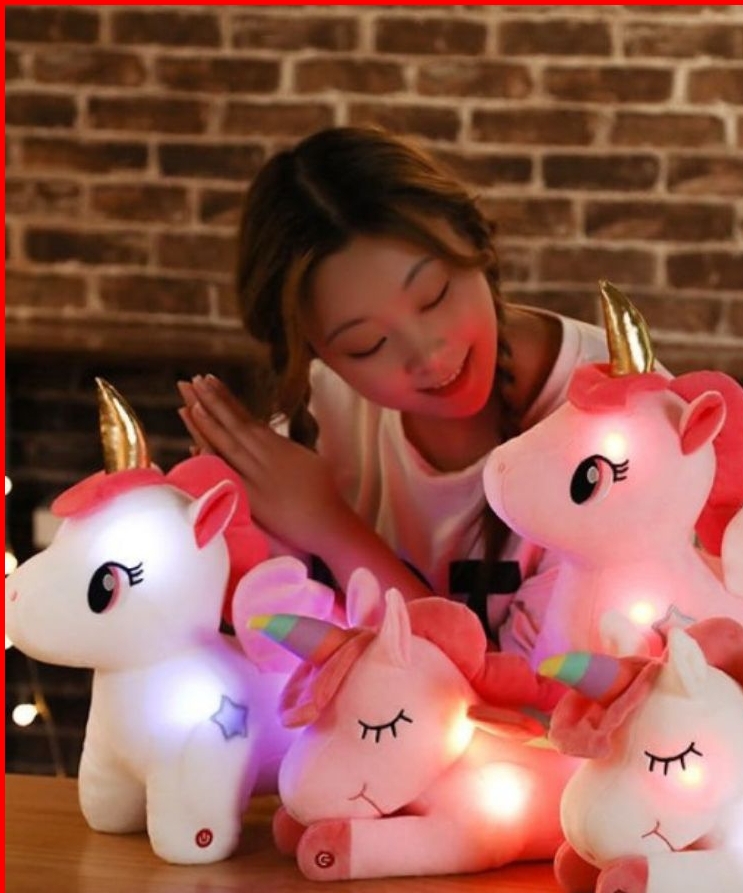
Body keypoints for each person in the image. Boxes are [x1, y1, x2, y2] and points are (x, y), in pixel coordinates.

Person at [178, 124, 613, 651]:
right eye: (367, 345)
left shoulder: (616, 420)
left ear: (475, 242)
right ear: (316, 355)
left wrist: (329, 525)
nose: (429, 356)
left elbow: (537, 694)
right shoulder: (320, 421)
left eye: (434, 295)